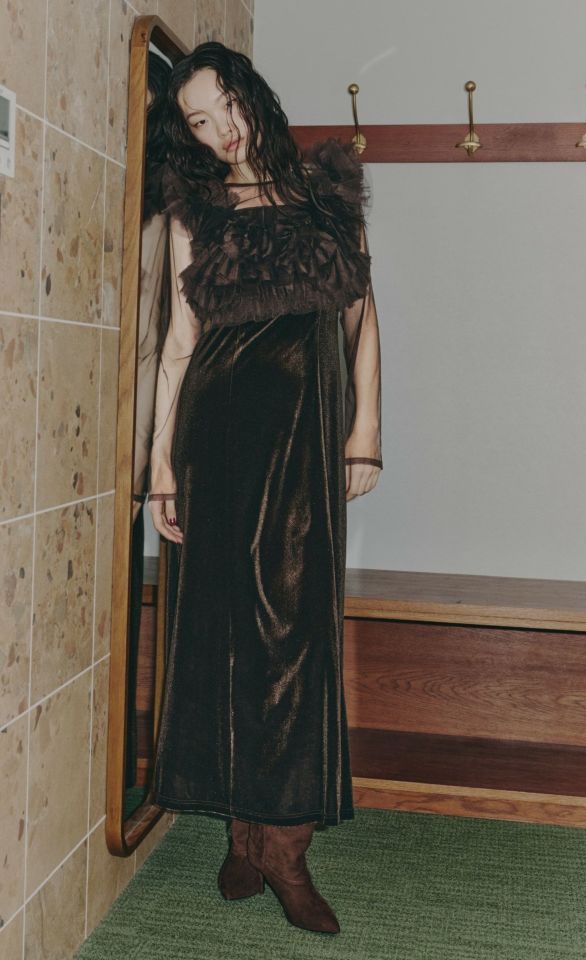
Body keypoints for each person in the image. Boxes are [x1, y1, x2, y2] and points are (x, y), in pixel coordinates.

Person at [145, 41, 383, 935]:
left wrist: (365, 433)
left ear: (255, 97)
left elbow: (363, 321)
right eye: (199, 122)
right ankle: (245, 836)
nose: (221, 132)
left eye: (227, 107)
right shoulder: (194, 210)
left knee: (295, 633)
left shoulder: (330, 194)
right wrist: (160, 467)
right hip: (216, 441)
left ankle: (287, 849)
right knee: (225, 629)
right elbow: (179, 345)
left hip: (306, 441)